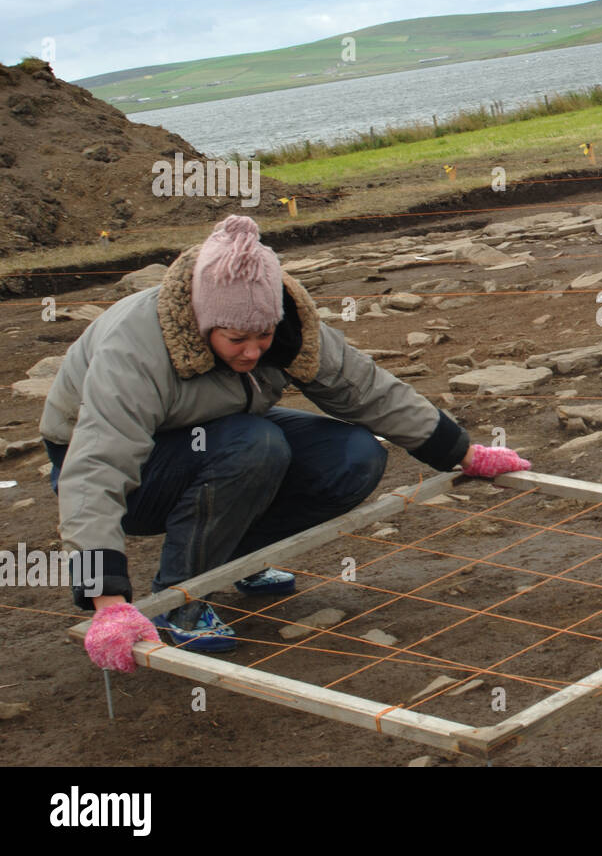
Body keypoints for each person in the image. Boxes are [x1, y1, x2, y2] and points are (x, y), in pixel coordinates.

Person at [42, 215, 531, 671]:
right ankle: (181, 603)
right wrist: (104, 599)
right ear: (203, 321)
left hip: (227, 431)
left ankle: (234, 558)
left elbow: (365, 388)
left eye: (264, 336)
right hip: (113, 468)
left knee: (355, 455)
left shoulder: (287, 325)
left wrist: (462, 453)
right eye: (237, 340)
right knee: (256, 444)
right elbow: (95, 467)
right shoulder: (136, 348)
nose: (255, 351)